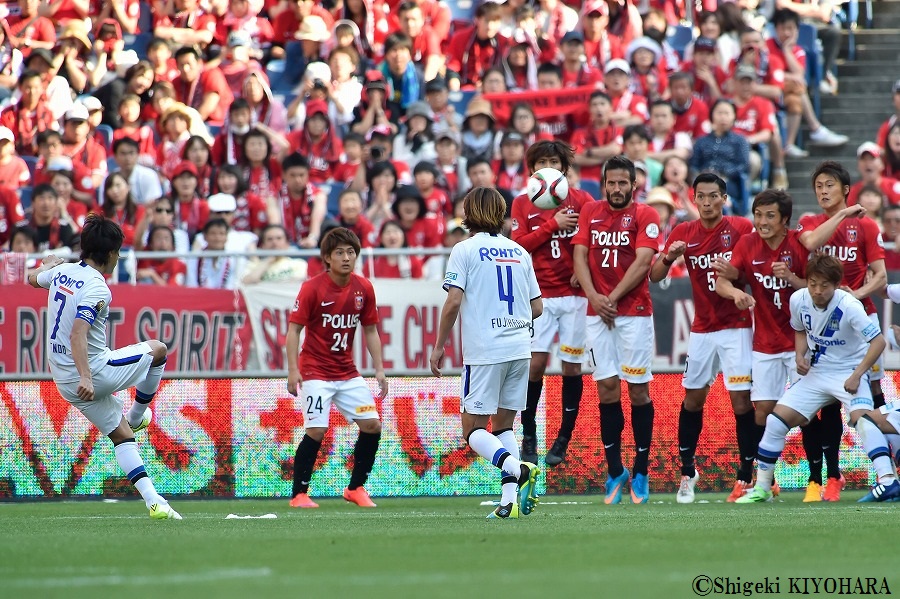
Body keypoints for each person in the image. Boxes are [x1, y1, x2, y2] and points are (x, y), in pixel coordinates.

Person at [27, 214, 181, 519]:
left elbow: (32, 278)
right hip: (93, 372)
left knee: (121, 436)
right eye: (118, 251)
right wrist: (87, 376)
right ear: (110, 253)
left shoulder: (62, 272)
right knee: (159, 351)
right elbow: (78, 333)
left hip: (64, 379)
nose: (119, 257)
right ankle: (136, 417)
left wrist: (46, 266)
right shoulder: (98, 288)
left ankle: (155, 503)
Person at [714, 189, 860, 501]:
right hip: (765, 343)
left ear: (785, 220)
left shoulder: (799, 244)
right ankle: (765, 482)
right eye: (758, 215)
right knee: (765, 413)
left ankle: (819, 479)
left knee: (809, 414)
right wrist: (735, 293)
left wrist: (792, 278)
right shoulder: (747, 244)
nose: (762, 222)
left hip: (803, 343)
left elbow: (819, 289)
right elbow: (724, 280)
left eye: (770, 216)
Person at [737, 253, 900, 504]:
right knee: (775, 421)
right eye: (813, 283)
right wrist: (799, 356)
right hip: (817, 373)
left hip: (848, 372)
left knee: (864, 420)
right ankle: (763, 487)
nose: (817, 291)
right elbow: (800, 330)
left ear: (836, 285)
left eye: (824, 285)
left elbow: (878, 341)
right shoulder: (798, 299)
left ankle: (888, 481)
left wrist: (857, 375)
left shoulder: (849, 306)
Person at [429, 186, 542, 519]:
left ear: (468, 213)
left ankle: (519, 469)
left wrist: (439, 345)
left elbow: (453, 301)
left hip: (486, 350)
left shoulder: (464, 250)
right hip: (520, 348)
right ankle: (509, 502)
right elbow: (537, 307)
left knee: (473, 431)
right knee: (503, 427)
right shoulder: (519, 252)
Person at [649, 173, 754, 503]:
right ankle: (687, 471)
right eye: (701, 197)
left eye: (713, 196)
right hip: (703, 329)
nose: (707, 203)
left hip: (738, 326)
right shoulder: (684, 232)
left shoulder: (742, 228)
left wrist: (737, 276)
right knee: (693, 399)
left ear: (724, 199)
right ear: (693, 199)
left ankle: (746, 475)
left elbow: (757, 266)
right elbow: (655, 275)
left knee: (741, 401)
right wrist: (670, 256)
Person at [796, 160, 887, 501]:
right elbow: (809, 244)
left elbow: (880, 276)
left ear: (846, 189)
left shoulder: (865, 226)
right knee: (819, 405)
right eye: (818, 186)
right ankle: (823, 477)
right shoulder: (810, 222)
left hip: (859, 320)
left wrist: (855, 295)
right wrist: (843, 214)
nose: (823, 191)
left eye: (829, 185)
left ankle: (884, 470)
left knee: (873, 396)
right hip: (820, 324)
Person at [573, 155, 660, 505]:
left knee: (638, 391)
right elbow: (579, 257)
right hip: (597, 313)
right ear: (604, 184)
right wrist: (595, 297)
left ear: (634, 185)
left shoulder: (645, 214)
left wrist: (611, 297)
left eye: (623, 182)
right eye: (611, 182)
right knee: (607, 389)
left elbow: (644, 261)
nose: (617, 188)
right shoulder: (590, 212)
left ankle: (641, 470)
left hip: (633, 313)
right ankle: (615, 471)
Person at [286, 227, 388, 509]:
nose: (346, 257)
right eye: (339, 252)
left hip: (347, 372)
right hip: (315, 372)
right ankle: (299, 494)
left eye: (351, 252)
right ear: (327, 258)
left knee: (372, 425)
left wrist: (379, 369)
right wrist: (293, 370)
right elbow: (294, 331)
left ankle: (355, 488)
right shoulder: (312, 288)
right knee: (317, 430)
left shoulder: (363, 288)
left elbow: (370, 330)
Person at [509, 141, 594, 467]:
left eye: (554, 161)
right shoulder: (522, 203)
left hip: (574, 298)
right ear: (532, 169)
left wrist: (583, 269)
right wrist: (552, 225)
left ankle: (564, 437)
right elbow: (518, 247)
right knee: (534, 365)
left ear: (564, 167)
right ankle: (529, 433)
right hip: (539, 297)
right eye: (542, 161)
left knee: (571, 366)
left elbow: (594, 241)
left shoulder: (582, 200)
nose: (548, 166)